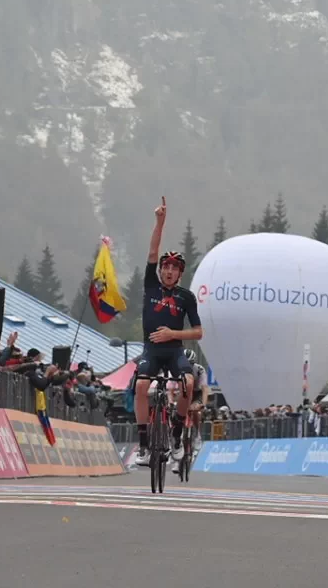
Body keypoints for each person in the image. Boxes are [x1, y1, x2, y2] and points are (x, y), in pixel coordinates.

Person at [134, 196, 204, 466]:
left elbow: (198, 332)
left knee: (187, 383)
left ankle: (175, 435)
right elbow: (152, 252)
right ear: (161, 270)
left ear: (180, 274)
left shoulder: (186, 297)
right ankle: (143, 444)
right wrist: (160, 222)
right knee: (141, 386)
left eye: (175, 268)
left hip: (174, 351)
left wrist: (173, 334)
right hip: (151, 350)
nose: (169, 271)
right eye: (166, 267)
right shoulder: (151, 286)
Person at [172, 349, 208, 474]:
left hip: (196, 393)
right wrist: (171, 402)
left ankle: (197, 434)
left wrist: (202, 404)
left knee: (196, 411)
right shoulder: (176, 369)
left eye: (190, 365)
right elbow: (170, 389)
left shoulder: (200, 370)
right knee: (175, 418)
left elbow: (204, 389)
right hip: (182, 393)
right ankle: (176, 461)